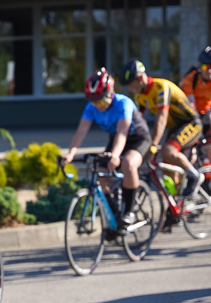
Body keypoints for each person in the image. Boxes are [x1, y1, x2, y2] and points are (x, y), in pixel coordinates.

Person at [62, 68, 152, 227]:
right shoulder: (91, 107)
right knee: (100, 173)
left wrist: (115, 155)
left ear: (111, 93)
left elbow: (122, 132)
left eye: (101, 101)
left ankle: (129, 212)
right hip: (116, 139)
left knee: (128, 164)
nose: (98, 106)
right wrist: (70, 154)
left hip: (138, 139)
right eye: (93, 101)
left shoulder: (123, 103)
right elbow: (81, 131)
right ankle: (114, 216)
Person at [121, 60, 204, 229]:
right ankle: (175, 209)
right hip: (175, 128)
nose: (130, 89)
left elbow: (161, 119)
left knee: (167, 150)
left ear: (141, 78)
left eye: (131, 84)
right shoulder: (140, 96)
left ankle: (195, 176)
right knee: (167, 171)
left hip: (191, 123)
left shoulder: (161, 87)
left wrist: (153, 145)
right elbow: (139, 123)